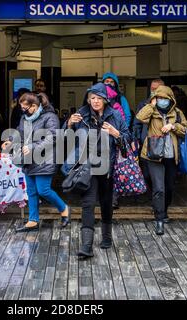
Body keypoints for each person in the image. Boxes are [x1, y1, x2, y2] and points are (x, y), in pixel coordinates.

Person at [64, 83, 130, 258]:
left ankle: (107, 236)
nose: (95, 101)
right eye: (92, 98)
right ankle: (86, 246)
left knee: (106, 202)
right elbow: (67, 139)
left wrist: (116, 133)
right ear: (88, 99)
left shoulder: (115, 115)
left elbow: (127, 138)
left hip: (107, 167)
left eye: (99, 98)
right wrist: (69, 124)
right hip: (87, 166)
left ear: (105, 100)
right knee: (88, 203)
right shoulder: (81, 114)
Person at [2, 92, 70, 232]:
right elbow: (19, 133)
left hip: (45, 159)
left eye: (25, 108)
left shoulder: (50, 117)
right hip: (28, 159)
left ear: (34, 106)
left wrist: (32, 147)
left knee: (43, 190)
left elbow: (52, 137)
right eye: (22, 108)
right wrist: (10, 140)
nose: (23, 111)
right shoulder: (25, 117)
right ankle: (33, 220)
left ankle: (64, 208)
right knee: (31, 191)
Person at [136, 86, 187, 235]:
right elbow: (140, 117)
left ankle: (163, 210)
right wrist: (151, 104)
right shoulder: (151, 111)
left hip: (171, 156)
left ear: (171, 100)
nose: (162, 101)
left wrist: (173, 126)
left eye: (165, 99)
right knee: (159, 188)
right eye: (159, 98)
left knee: (169, 188)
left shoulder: (177, 113)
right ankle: (159, 218)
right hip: (153, 155)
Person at [101, 72, 134, 209]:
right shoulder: (98, 98)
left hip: (116, 136)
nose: (108, 83)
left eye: (111, 81)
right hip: (100, 138)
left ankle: (113, 199)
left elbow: (127, 116)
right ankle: (103, 196)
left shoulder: (122, 99)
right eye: (106, 81)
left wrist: (120, 132)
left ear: (116, 84)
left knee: (115, 169)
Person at [134, 79, 165, 188]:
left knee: (162, 175)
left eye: (156, 89)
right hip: (146, 144)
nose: (153, 91)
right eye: (152, 89)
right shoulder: (143, 104)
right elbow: (137, 123)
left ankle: (158, 194)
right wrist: (136, 139)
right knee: (146, 174)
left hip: (164, 145)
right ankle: (153, 192)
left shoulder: (168, 105)